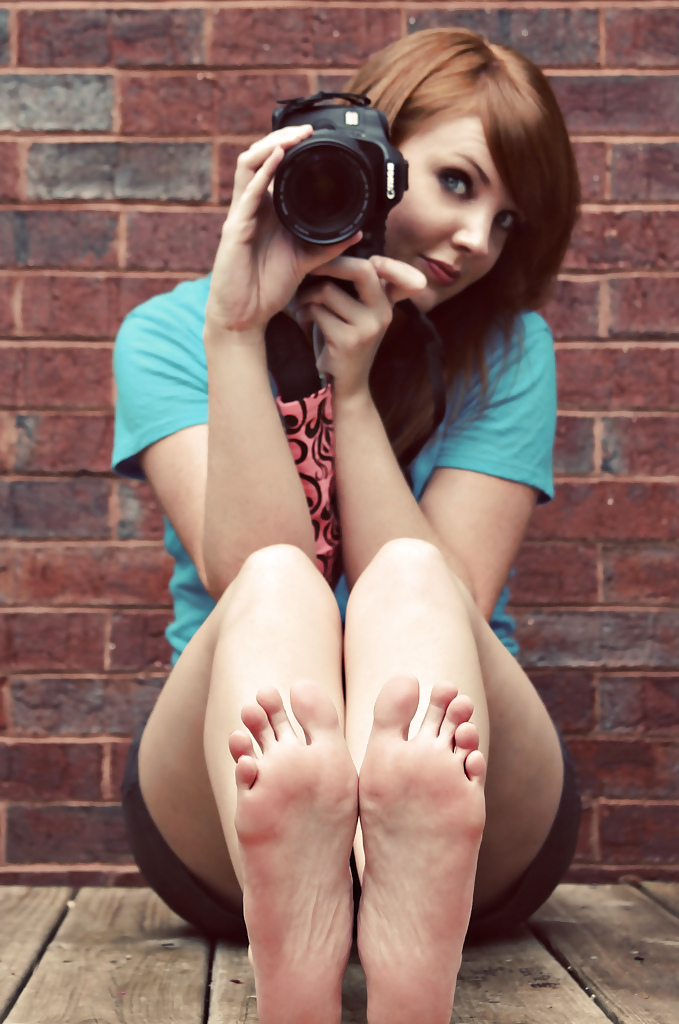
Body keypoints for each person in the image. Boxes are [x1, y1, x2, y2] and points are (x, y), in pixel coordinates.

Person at [112, 27, 581, 1024]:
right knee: (280, 583)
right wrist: (242, 332)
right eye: (456, 184)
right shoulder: (169, 334)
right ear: (366, 154)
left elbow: (442, 601)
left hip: (465, 778)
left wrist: (354, 395)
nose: (475, 239)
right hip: (234, 786)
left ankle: (404, 881)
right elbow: (247, 567)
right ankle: (309, 876)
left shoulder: (507, 349)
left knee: (409, 578)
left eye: (505, 221)